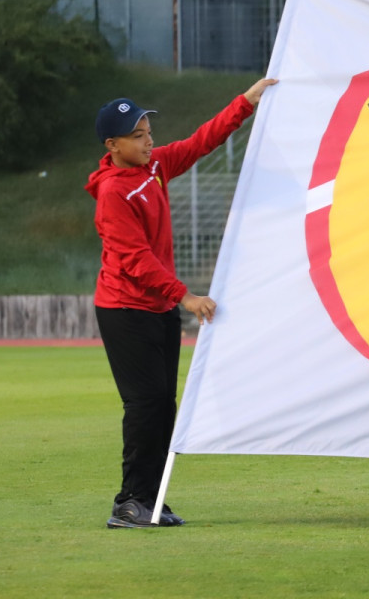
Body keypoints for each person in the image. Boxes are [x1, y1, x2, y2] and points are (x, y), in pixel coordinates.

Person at [86, 77, 277, 528]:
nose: (149, 141)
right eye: (137, 136)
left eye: (148, 132)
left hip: (157, 309)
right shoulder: (114, 192)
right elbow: (135, 260)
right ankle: (129, 501)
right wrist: (186, 296)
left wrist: (245, 103)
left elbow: (199, 142)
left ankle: (149, 499)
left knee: (162, 404)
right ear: (113, 145)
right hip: (124, 310)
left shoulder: (153, 169)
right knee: (146, 403)